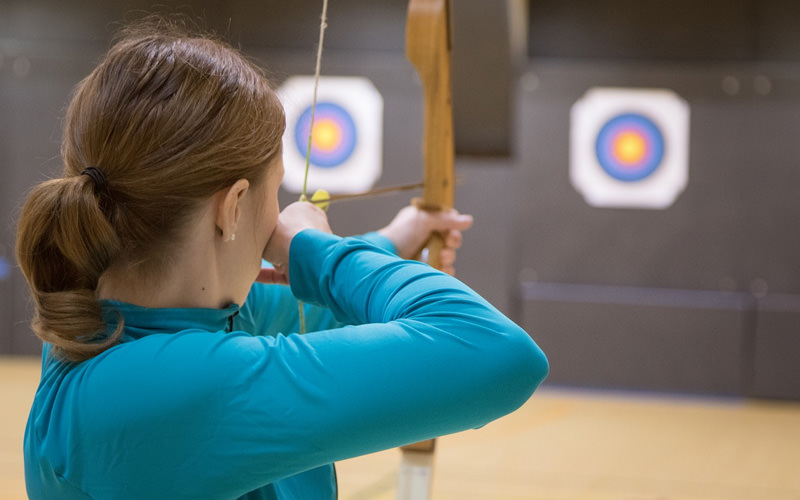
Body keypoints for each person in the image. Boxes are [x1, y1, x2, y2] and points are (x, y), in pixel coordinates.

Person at [15, 18, 549, 500]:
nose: (282, 213)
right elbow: (497, 354)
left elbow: (303, 313)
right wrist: (313, 249)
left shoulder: (112, 322)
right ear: (233, 207)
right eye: (276, 192)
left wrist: (394, 239)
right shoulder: (159, 394)